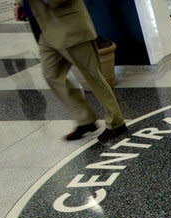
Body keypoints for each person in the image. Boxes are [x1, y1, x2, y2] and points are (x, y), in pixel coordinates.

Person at [14, 0, 128, 142]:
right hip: (46, 30)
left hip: (71, 28)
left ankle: (116, 122)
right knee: (51, 75)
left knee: (93, 76)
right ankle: (85, 120)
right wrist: (20, 4)